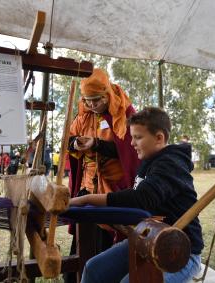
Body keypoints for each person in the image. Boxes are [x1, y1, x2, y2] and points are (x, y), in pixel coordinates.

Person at [70, 107, 203, 283]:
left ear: (159, 138)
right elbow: (135, 198)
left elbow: (141, 199)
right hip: (146, 241)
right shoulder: (148, 161)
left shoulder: (171, 164)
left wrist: (86, 199)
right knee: (93, 269)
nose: (132, 143)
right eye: (132, 137)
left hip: (179, 252)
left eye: (138, 137)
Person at [65, 68, 140, 282]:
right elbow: (69, 138)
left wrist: (96, 144)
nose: (91, 105)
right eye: (87, 101)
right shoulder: (84, 114)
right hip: (87, 185)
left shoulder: (125, 112)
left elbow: (130, 148)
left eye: (96, 100)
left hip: (114, 187)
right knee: (82, 237)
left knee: (109, 237)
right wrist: (76, 143)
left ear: (107, 94)